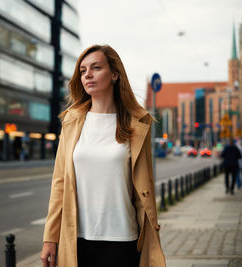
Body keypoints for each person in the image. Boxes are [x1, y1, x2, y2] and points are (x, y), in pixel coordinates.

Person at [40, 45, 165, 267]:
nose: (87, 74)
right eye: (83, 70)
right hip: (78, 240)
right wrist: (50, 237)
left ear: (114, 74)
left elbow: (144, 188)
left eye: (96, 68)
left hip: (123, 239)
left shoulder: (137, 125)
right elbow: (59, 182)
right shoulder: (71, 122)